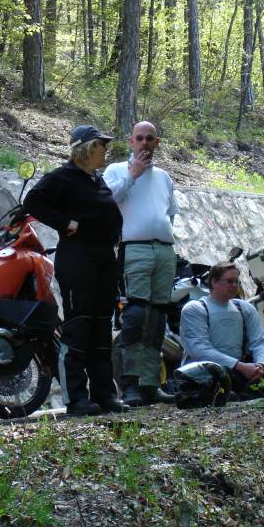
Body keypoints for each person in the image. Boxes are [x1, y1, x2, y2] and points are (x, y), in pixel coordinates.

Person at [23, 125, 130, 416]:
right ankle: (76, 399)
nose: (105, 150)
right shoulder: (62, 176)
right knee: (79, 327)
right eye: (101, 145)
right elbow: (32, 201)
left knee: (100, 328)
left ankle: (105, 395)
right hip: (78, 259)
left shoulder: (96, 179)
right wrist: (64, 222)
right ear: (86, 148)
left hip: (104, 260)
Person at [103, 121, 178, 407]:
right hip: (134, 250)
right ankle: (130, 384)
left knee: (157, 318)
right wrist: (133, 174)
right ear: (130, 141)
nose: (144, 143)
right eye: (139, 138)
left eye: (150, 139)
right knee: (135, 317)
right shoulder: (116, 170)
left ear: (157, 142)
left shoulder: (164, 177)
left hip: (164, 250)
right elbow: (107, 201)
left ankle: (150, 384)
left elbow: (170, 213)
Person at [179, 262, 264, 396]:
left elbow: (260, 342)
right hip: (204, 374)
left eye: (236, 281)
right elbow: (199, 349)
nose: (234, 285)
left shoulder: (245, 308)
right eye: (229, 281)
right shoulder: (195, 308)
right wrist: (240, 366)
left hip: (240, 371)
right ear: (213, 282)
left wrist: (260, 365)